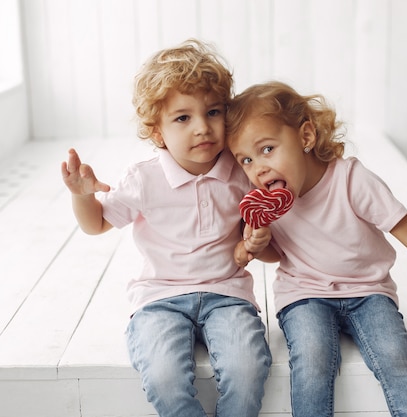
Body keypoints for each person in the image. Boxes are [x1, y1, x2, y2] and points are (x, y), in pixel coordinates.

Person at [227, 81, 407, 417]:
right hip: (304, 294)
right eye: (245, 159)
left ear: (305, 137)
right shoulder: (265, 203)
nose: (257, 167)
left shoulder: (350, 180)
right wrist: (258, 244)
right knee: (312, 360)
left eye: (267, 149)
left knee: (397, 358)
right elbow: (276, 254)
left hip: (369, 291)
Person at [61, 39, 271, 417]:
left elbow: (257, 233)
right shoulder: (144, 179)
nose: (202, 128)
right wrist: (81, 195)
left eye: (213, 112)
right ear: (157, 132)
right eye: (182, 118)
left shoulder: (241, 172)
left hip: (228, 293)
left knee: (248, 368)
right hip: (159, 299)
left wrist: (254, 238)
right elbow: (96, 224)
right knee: (163, 376)